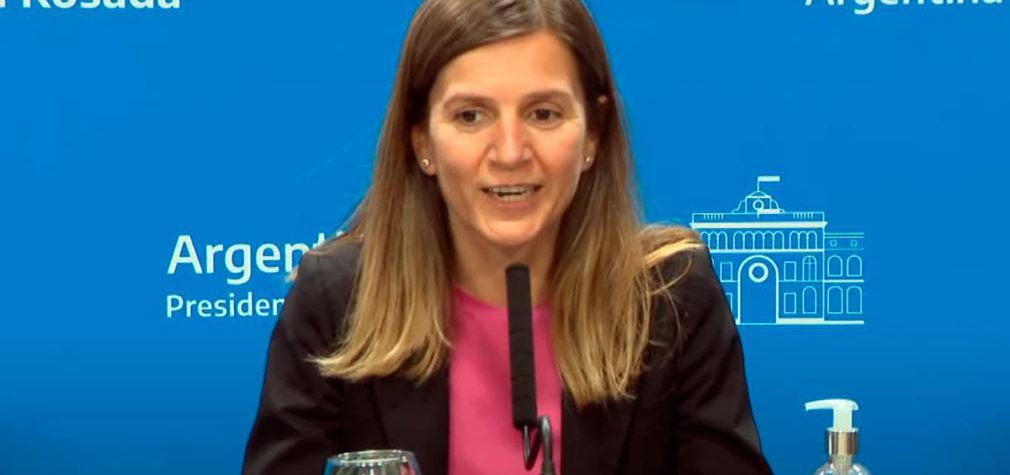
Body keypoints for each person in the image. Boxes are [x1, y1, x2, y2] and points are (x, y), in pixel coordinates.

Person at [242, 0, 773, 474]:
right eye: (471, 116)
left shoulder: (673, 300)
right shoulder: (336, 302)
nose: (511, 151)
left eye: (543, 114)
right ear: (421, 141)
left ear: (592, 134)